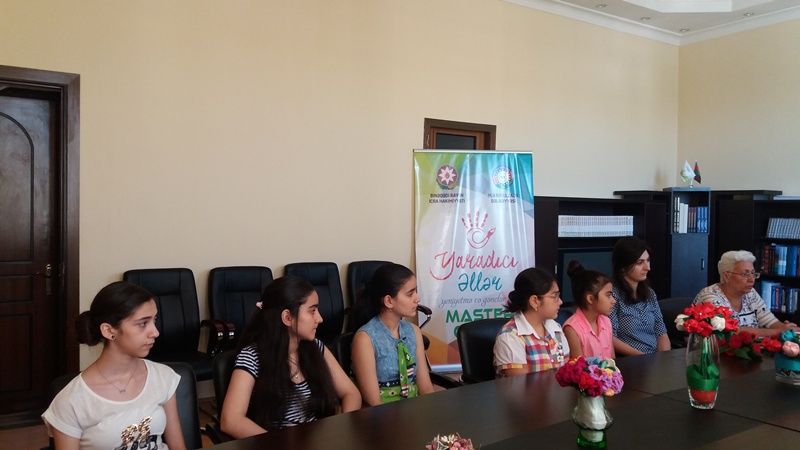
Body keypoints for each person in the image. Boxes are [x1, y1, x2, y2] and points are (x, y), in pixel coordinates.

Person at [42, 281, 186, 450]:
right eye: (142, 324)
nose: (155, 332)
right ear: (109, 331)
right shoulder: (71, 401)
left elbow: (178, 446)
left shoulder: (163, 377)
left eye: (154, 320)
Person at [220, 275, 361, 438]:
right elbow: (231, 420)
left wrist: (340, 431)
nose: (320, 318)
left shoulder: (315, 347)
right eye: (312, 311)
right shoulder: (252, 357)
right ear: (287, 317)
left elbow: (351, 394)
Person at [351, 263, 434, 405]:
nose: (417, 298)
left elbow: (425, 387)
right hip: (382, 414)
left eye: (415, 291)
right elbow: (374, 403)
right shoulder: (365, 338)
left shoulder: (414, 331)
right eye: (410, 294)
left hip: (414, 411)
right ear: (389, 301)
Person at [692, 250, 799, 336]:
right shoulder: (710, 296)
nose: (751, 279)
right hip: (713, 353)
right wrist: (777, 332)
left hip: (746, 351)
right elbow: (730, 331)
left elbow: (770, 321)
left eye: (753, 273)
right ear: (726, 276)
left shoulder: (750, 293)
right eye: (745, 274)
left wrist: (786, 328)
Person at [493, 267, 570, 377]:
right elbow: (519, 384)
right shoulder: (510, 336)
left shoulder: (556, 329)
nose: (560, 302)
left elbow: (567, 372)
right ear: (534, 301)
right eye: (555, 296)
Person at [609, 236, 671, 356]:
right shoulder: (612, 296)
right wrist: (643, 358)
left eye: (648, 260)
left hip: (655, 359)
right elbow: (610, 337)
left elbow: (661, 332)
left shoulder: (650, 293)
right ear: (623, 266)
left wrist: (663, 358)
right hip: (630, 360)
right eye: (640, 262)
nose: (648, 268)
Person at [563, 260, 616, 359]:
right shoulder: (572, 328)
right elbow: (578, 366)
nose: (613, 300)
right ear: (590, 299)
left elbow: (612, 361)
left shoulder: (606, 322)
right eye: (608, 295)